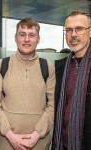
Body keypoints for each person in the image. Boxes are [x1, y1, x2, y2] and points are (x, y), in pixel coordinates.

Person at [0, 18, 55, 150]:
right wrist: (10, 135)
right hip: (6, 144)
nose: (26, 39)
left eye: (32, 35)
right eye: (22, 34)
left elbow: (52, 106)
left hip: (39, 144)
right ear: (15, 37)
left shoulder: (48, 67)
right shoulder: (1, 65)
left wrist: (37, 135)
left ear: (38, 39)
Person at [52, 10, 91, 150]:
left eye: (79, 29)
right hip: (63, 144)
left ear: (90, 32)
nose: (73, 34)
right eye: (69, 30)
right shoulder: (59, 67)